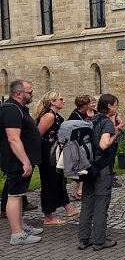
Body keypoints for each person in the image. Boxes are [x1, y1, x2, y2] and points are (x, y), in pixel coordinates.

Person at [0, 80, 44, 244]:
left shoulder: (18, 109)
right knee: (14, 196)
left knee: (19, 195)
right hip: (16, 160)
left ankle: (21, 225)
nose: (32, 95)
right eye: (30, 92)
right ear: (19, 94)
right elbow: (13, 139)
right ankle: (17, 234)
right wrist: (25, 161)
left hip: (20, 160)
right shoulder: (11, 110)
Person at [77, 94, 120, 251]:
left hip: (87, 166)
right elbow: (103, 144)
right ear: (109, 106)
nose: (117, 108)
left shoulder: (90, 120)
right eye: (116, 105)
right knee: (101, 203)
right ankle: (99, 240)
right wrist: (115, 134)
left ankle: (83, 239)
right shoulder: (106, 122)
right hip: (101, 167)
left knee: (87, 202)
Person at [35, 91, 80, 226]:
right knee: (50, 183)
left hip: (56, 154)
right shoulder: (49, 116)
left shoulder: (56, 115)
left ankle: (69, 208)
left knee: (60, 181)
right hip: (49, 155)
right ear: (52, 101)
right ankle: (48, 217)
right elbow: (38, 135)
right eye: (61, 99)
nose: (64, 101)